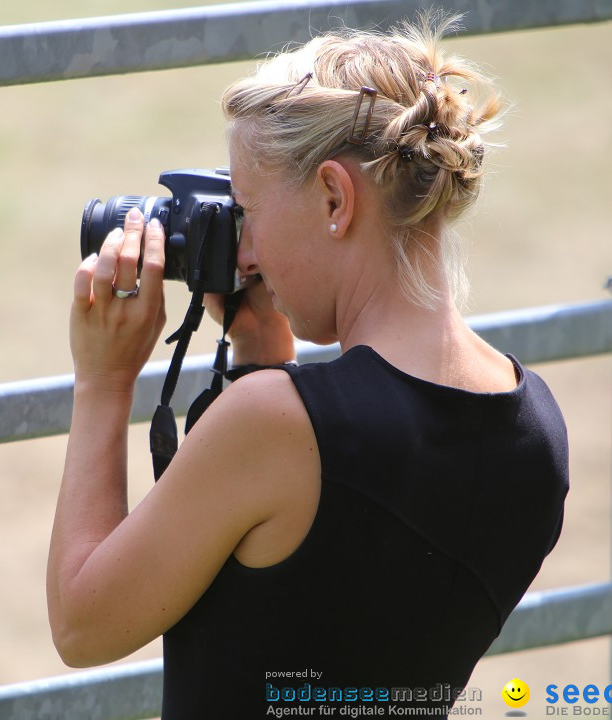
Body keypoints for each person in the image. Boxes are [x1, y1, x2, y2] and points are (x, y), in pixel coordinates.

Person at [47, 13, 569, 719]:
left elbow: (83, 624)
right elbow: (339, 608)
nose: (245, 249)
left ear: (334, 197)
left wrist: (104, 382)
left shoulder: (272, 426)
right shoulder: (536, 427)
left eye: (249, 210)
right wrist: (265, 353)